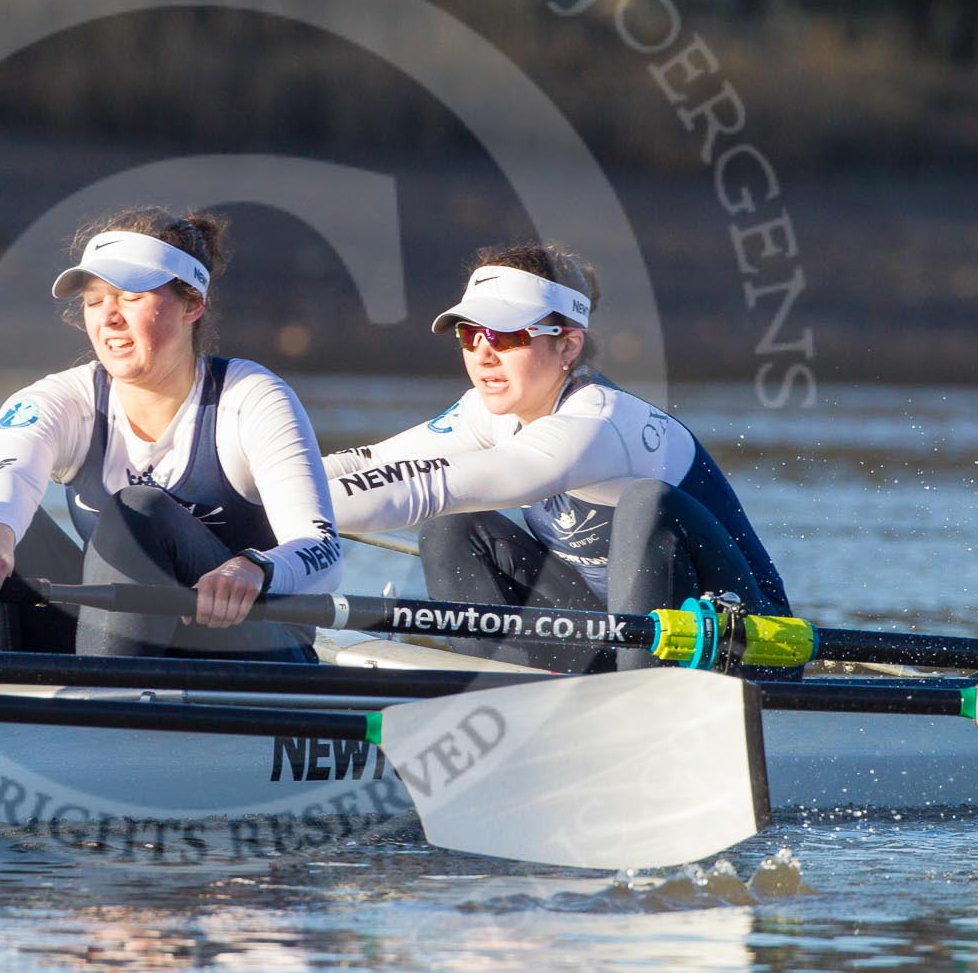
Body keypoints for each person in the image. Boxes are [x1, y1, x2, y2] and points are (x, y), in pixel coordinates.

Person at [326, 242, 788, 672]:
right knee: (454, 530)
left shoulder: (598, 425)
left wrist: (295, 515)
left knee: (647, 502)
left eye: (504, 336)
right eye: (470, 336)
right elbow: (364, 464)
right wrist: (256, 493)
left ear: (567, 344)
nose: (482, 355)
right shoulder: (487, 411)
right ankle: (498, 701)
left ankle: (640, 704)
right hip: (616, 635)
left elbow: (432, 487)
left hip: (748, 647)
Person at [0, 207, 341, 661]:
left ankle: (106, 710)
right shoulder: (61, 402)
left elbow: (322, 551)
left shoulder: (251, 398)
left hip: (253, 648)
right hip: (115, 640)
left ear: (192, 304)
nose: (109, 317)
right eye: (94, 300)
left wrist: (251, 569)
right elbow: (13, 479)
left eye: (131, 296)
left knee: (138, 509)